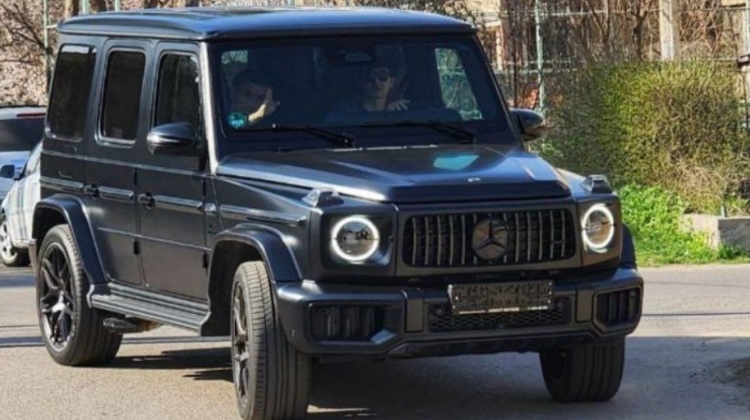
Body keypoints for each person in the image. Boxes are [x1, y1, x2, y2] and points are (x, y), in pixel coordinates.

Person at [327, 62, 409, 118]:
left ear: (392, 82)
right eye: (370, 77)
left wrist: (393, 114)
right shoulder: (343, 111)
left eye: (382, 76)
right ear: (361, 82)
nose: (376, 82)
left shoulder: (402, 110)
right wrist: (385, 116)